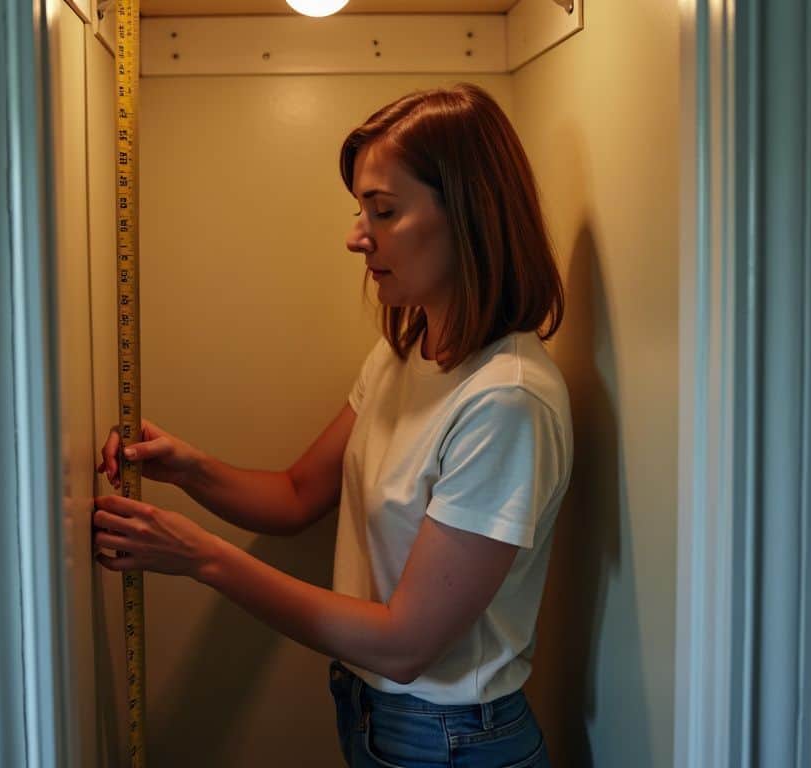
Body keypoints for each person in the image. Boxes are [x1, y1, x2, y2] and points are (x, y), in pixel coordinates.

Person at [92, 82, 571, 768]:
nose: (356, 236)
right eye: (360, 210)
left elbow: (406, 646)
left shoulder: (506, 401)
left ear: (470, 215)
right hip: (375, 711)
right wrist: (186, 467)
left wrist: (200, 557)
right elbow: (295, 496)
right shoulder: (404, 355)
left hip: (451, 740)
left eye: (383, 210)